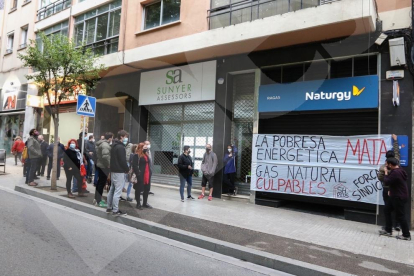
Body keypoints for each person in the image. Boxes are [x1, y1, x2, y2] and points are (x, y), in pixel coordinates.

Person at [379, 157, 411, 241]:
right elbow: (395, 182)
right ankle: (388, 230)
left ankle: (406, 235)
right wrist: (391, 190)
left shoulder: (395, 172)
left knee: (401, 216)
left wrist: (386, 172)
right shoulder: (400, 170)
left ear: (390, 164)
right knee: (387, 210)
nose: (386, 166)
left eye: (387, 165)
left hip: (398, 197)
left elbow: (387, 181)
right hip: (395, 195)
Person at [378, 134, 400, 231]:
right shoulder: (397, 163)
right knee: (397, 207)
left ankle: (388, 227)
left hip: (387, 189)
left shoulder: (383, 167)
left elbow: (380, 177)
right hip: (397, 189)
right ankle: (397, 225)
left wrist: (385, 174)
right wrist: (395, 141)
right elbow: (397, 152)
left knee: (387, 209)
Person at [106, 130, 129, 216]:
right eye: (126, 137)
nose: (126, 138)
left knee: (112, 189)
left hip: (113, 170)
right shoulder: (121, 147)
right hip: (119, 171)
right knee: (118, 191)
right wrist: (126, 169)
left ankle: (109, 207)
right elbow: (122, 160)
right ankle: (115, 210)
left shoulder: (114, 146)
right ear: (121, 137)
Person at [94, 132, 113, 208]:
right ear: (110, 138)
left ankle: (96, 198)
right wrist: (108, 164)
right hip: (104, 166)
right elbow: (105, 156)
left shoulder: (102, 143)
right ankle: (99, 201)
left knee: (99, 182)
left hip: (100, 165)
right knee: (101, 183)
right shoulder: (105, 145)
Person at [134, 143, 152, 209]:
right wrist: (138, 174)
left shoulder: (146, 154)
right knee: (138, 189)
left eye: (146, 148)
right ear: (140, 148)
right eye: (144, 147)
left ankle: (145, 203)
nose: (146, 149)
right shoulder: (137, 155)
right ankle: (138, 203)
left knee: (146, 189)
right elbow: (134, 166)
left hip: (147, 175)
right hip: (140, 175)